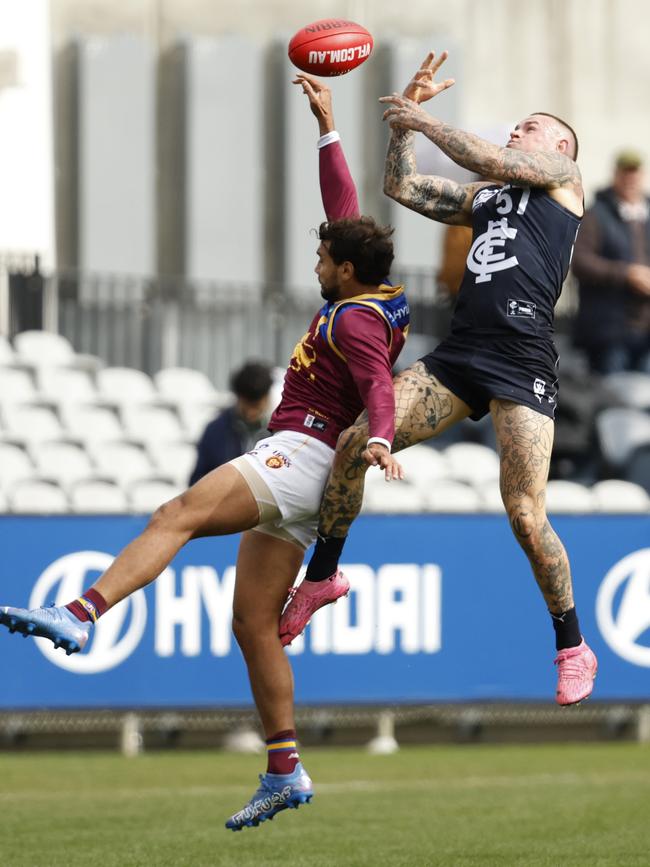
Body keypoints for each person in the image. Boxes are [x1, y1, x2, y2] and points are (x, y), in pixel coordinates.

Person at [0, 77, 409, 830]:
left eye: (324, 256)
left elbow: (378, 385)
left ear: (346, 269)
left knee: (176, 512)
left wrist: (380, 436)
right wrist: (326, 127)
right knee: (253, 621)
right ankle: (284, 765)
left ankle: (82, 611)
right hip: (309, 474)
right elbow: (344, 205)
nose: (317, 261)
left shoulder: (352, 321)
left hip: (301, 457)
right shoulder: (373, 294)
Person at [279, 51, 598, 707]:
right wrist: (401, 124)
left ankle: (571, 643)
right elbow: (404, 189)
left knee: (525, 514)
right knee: (352, 443)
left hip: (522, 356)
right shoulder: (490, 198)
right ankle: (323, 577)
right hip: (461, 354)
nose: (519, 129)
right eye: (519, 124)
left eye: (530, 125)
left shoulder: (562, 177)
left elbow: (494, 158)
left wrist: (423, 119)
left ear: (560, 145)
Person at [572, 149, 650, 374]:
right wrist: (627, 274)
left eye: (634, 174)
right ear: (615, 175)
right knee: (612, 396)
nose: (630, 180)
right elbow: (580, 262)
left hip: (645, 331)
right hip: (609, 332)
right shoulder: (596, 215)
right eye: (625, 174)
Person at [189, 360, 273, 485]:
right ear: (237, 397)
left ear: (267, 398)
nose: (251, 413)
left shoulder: (278, 433)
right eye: (246, 406)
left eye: (256, 407)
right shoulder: (215, 431)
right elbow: (196, 482)